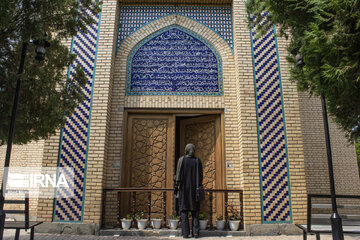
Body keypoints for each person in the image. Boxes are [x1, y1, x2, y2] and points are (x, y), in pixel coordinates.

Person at [174, 144, 203, 238]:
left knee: (184, 211)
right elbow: (201, 176)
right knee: (195, 212)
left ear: (186, 150)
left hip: (184, 190)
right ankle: (195, 233)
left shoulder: (181, 160)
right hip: (195, 191)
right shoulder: (197, 161)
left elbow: (177, 177)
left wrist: (176, 186)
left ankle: (185, 233)